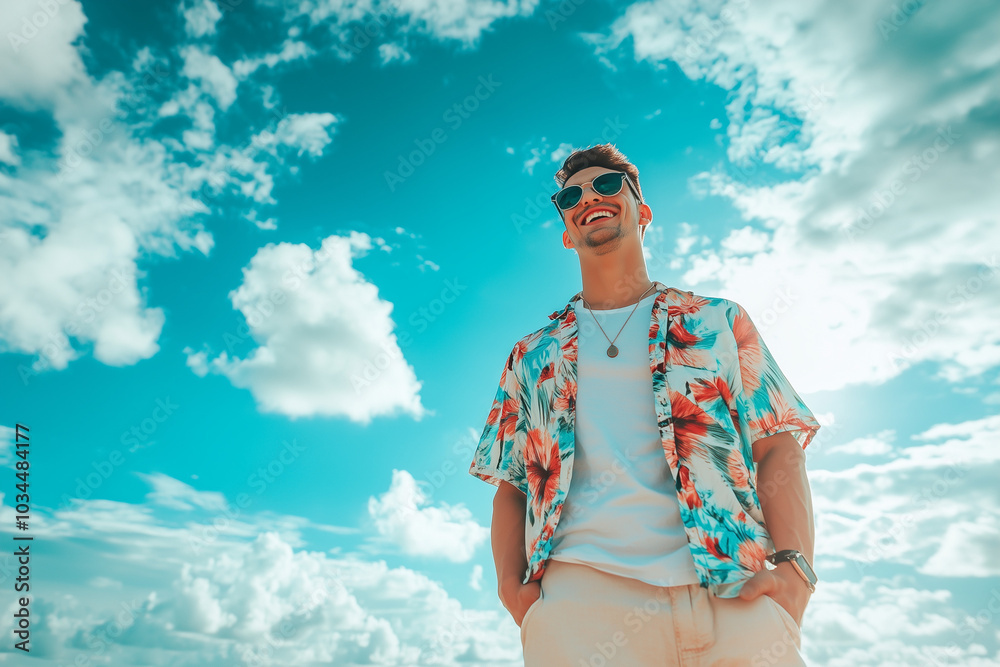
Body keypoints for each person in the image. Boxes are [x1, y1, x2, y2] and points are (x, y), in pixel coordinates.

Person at [468, 143, 821, 665]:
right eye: (571, 194)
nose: (590, 196)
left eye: (607, 185)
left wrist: (795, 572)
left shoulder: (716, 322)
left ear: (643, 211)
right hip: (582, 607)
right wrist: (513, 592)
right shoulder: (531, 355)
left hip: (734, 589)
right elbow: (511, 485)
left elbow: (779, 448)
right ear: (567, 230)